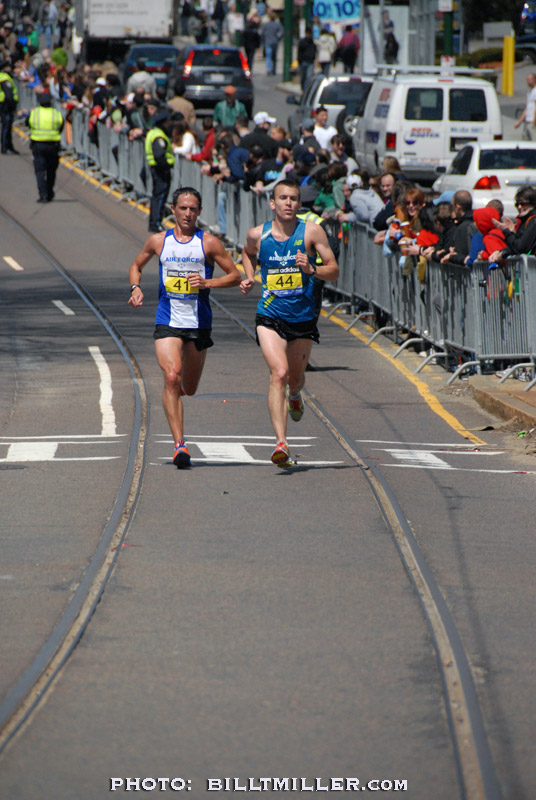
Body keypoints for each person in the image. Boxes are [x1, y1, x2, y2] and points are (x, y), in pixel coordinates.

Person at [128, 186, 241, 469]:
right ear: (173, 210)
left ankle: (177, 397)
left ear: (199, 212)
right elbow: (136, 265)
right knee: (171, 375)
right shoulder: (158, 241)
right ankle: (180, 445)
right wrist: (135, 287)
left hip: (198, 322)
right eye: (183, 208)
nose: (188, 213)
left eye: (193, 209)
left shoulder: (209, 243)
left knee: (188, 388)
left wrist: (207, 283)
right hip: (168, 319)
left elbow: (235, 275)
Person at [240, 179, 338, 467]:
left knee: (294, 379)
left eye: (293, 198)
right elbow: (247, 253)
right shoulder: (258, 234)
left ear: (299, 204)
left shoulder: (311, 232)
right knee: (278, 374)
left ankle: (296, 395)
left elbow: (334, 271)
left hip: (303, 317)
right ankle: (281, 442)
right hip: (270, 314)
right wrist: (249, 275)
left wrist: (312, 268)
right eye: (282, 198)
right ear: (272, 203)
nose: (288, 203)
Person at [28, 89, 64, 202]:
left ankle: (43, 195)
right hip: (53, 145)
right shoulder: (56, 113)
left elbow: (28, 123)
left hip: (38, 145)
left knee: (40, 171)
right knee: (51, 170)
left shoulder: (35, 113)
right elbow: (61, 127)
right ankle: (49, 192)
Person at [145, 111, 175, 233]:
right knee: (160, 196)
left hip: (156, 169)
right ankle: (156, 223)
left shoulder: (152, 132)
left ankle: (154, 222)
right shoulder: (159, 136)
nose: (169, 124)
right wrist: (167, 166)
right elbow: (159, 155)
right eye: (167, 122)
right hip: (160, 169)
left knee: (156, 196)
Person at [0, 58, 18, 154]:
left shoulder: (2, 76)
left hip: (3, 104)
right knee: (6, 125)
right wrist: (13, 104)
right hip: (6, 104)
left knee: (7, 125)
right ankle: (5, 147)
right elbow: (8, 94)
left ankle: (9, 146)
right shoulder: (5, 78)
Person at [261, 9, 283, 76]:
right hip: (275, 42)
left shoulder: (266, 25)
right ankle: (273, 69)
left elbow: (262, 33)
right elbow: (281, 32)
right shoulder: (277, 25)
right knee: (274, 56)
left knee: (268, 56)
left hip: (268, 41)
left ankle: (269, 69)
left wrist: (264, 39)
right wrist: (278, 37)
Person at [514, 72, 536, 140]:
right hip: (527, 121)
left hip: (533, 122)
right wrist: (519, 122)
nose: (527, 82)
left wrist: (534, 121)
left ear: (534, 80)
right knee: (526, 141)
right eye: (527, 80)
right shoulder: (529, 91)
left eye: (529, 80)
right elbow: (527, 108)